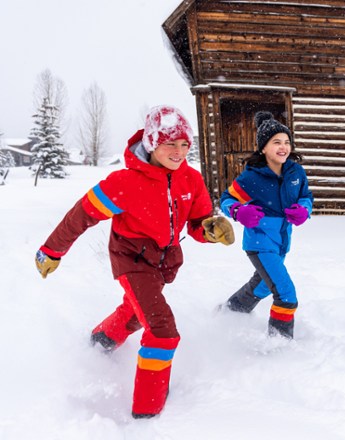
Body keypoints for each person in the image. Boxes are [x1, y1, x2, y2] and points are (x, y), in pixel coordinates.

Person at [35, 105, 234, 419]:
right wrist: (52, 251)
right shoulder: (123, 182)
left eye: (185, 144)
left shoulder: (191, 180)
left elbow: (198, 222)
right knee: (162, 329)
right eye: (171, 143)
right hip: (130, 258)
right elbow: (80, 217)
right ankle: (147, 409)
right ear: (153, 143)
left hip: (165, 261)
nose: (179, 152)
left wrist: (210, 230)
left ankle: (102, 339)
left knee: (138, 310)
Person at [219, 111, 313, 340]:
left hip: (282, 241)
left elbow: (306, 196)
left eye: (286, 142)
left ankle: (230, 312)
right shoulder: (252, 177)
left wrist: (304, 210)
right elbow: (225, 200)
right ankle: (279, 345)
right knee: (286, 294)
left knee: (261, 286)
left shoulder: (296, 173)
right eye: (276, 142)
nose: (283, 147)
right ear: (264, 148)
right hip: (259, 242)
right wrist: (239, 211)